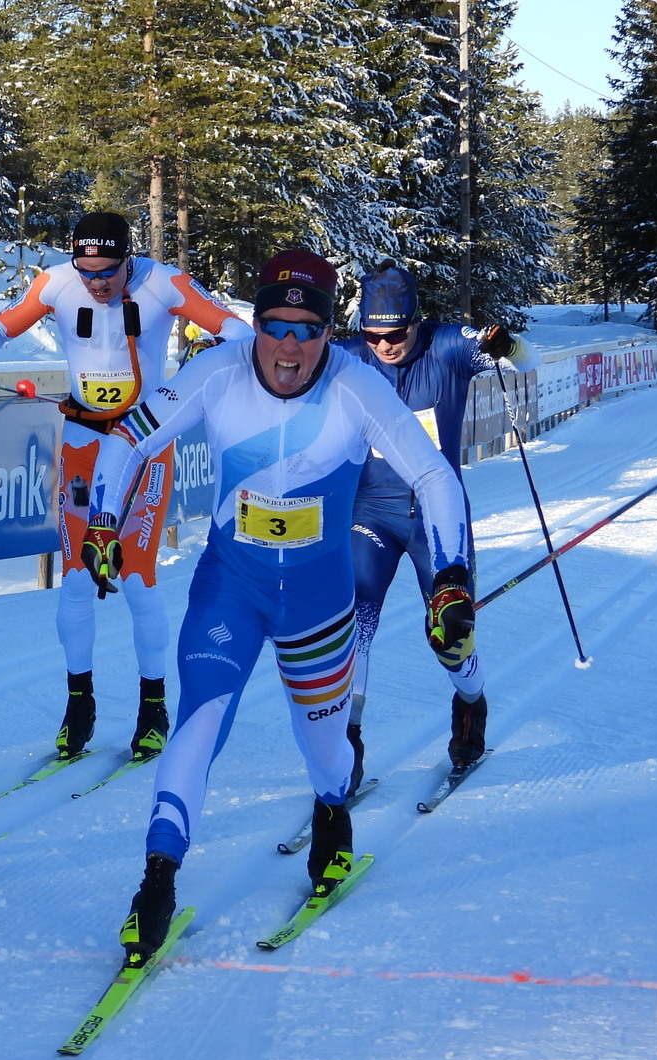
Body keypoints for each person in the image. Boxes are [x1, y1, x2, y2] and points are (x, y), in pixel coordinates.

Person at [80, 249, 475, 964]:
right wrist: (105, 520)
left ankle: (332, 812)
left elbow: (435, 477)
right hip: (231, 588)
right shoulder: (218, 371)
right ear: (255, 323)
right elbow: (129, 439)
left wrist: (450, 576)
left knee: (326, 752)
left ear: (329, 333)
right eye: (275, 327)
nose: (289, 348)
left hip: (318, 602)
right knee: (199, 723)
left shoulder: (356, 385)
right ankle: (157, 878)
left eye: (308, 330)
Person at [0, 211, 252, 763]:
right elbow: (1, 324)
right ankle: (79, 704)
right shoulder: (57, 282)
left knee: (136, 577)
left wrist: (206, 356)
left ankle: (153, 706)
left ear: (127, 261)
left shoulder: (162, 283)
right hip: (83, 444)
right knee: (76, 579)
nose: (95, 283)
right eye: (85, 270)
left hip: (145, 444)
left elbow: (239, 332)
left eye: (107, 272)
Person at [333, 263, 538, 779]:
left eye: (395, 334)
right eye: (373, 335)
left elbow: (526, 360)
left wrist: (507, 346)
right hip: (370, 512)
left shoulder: (447, 346)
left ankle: (471, 703)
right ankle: (345, 743)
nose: (384, 346)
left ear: (416, 321)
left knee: (451, 632)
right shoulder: (349, 357)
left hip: (438, 515)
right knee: (353, 625)